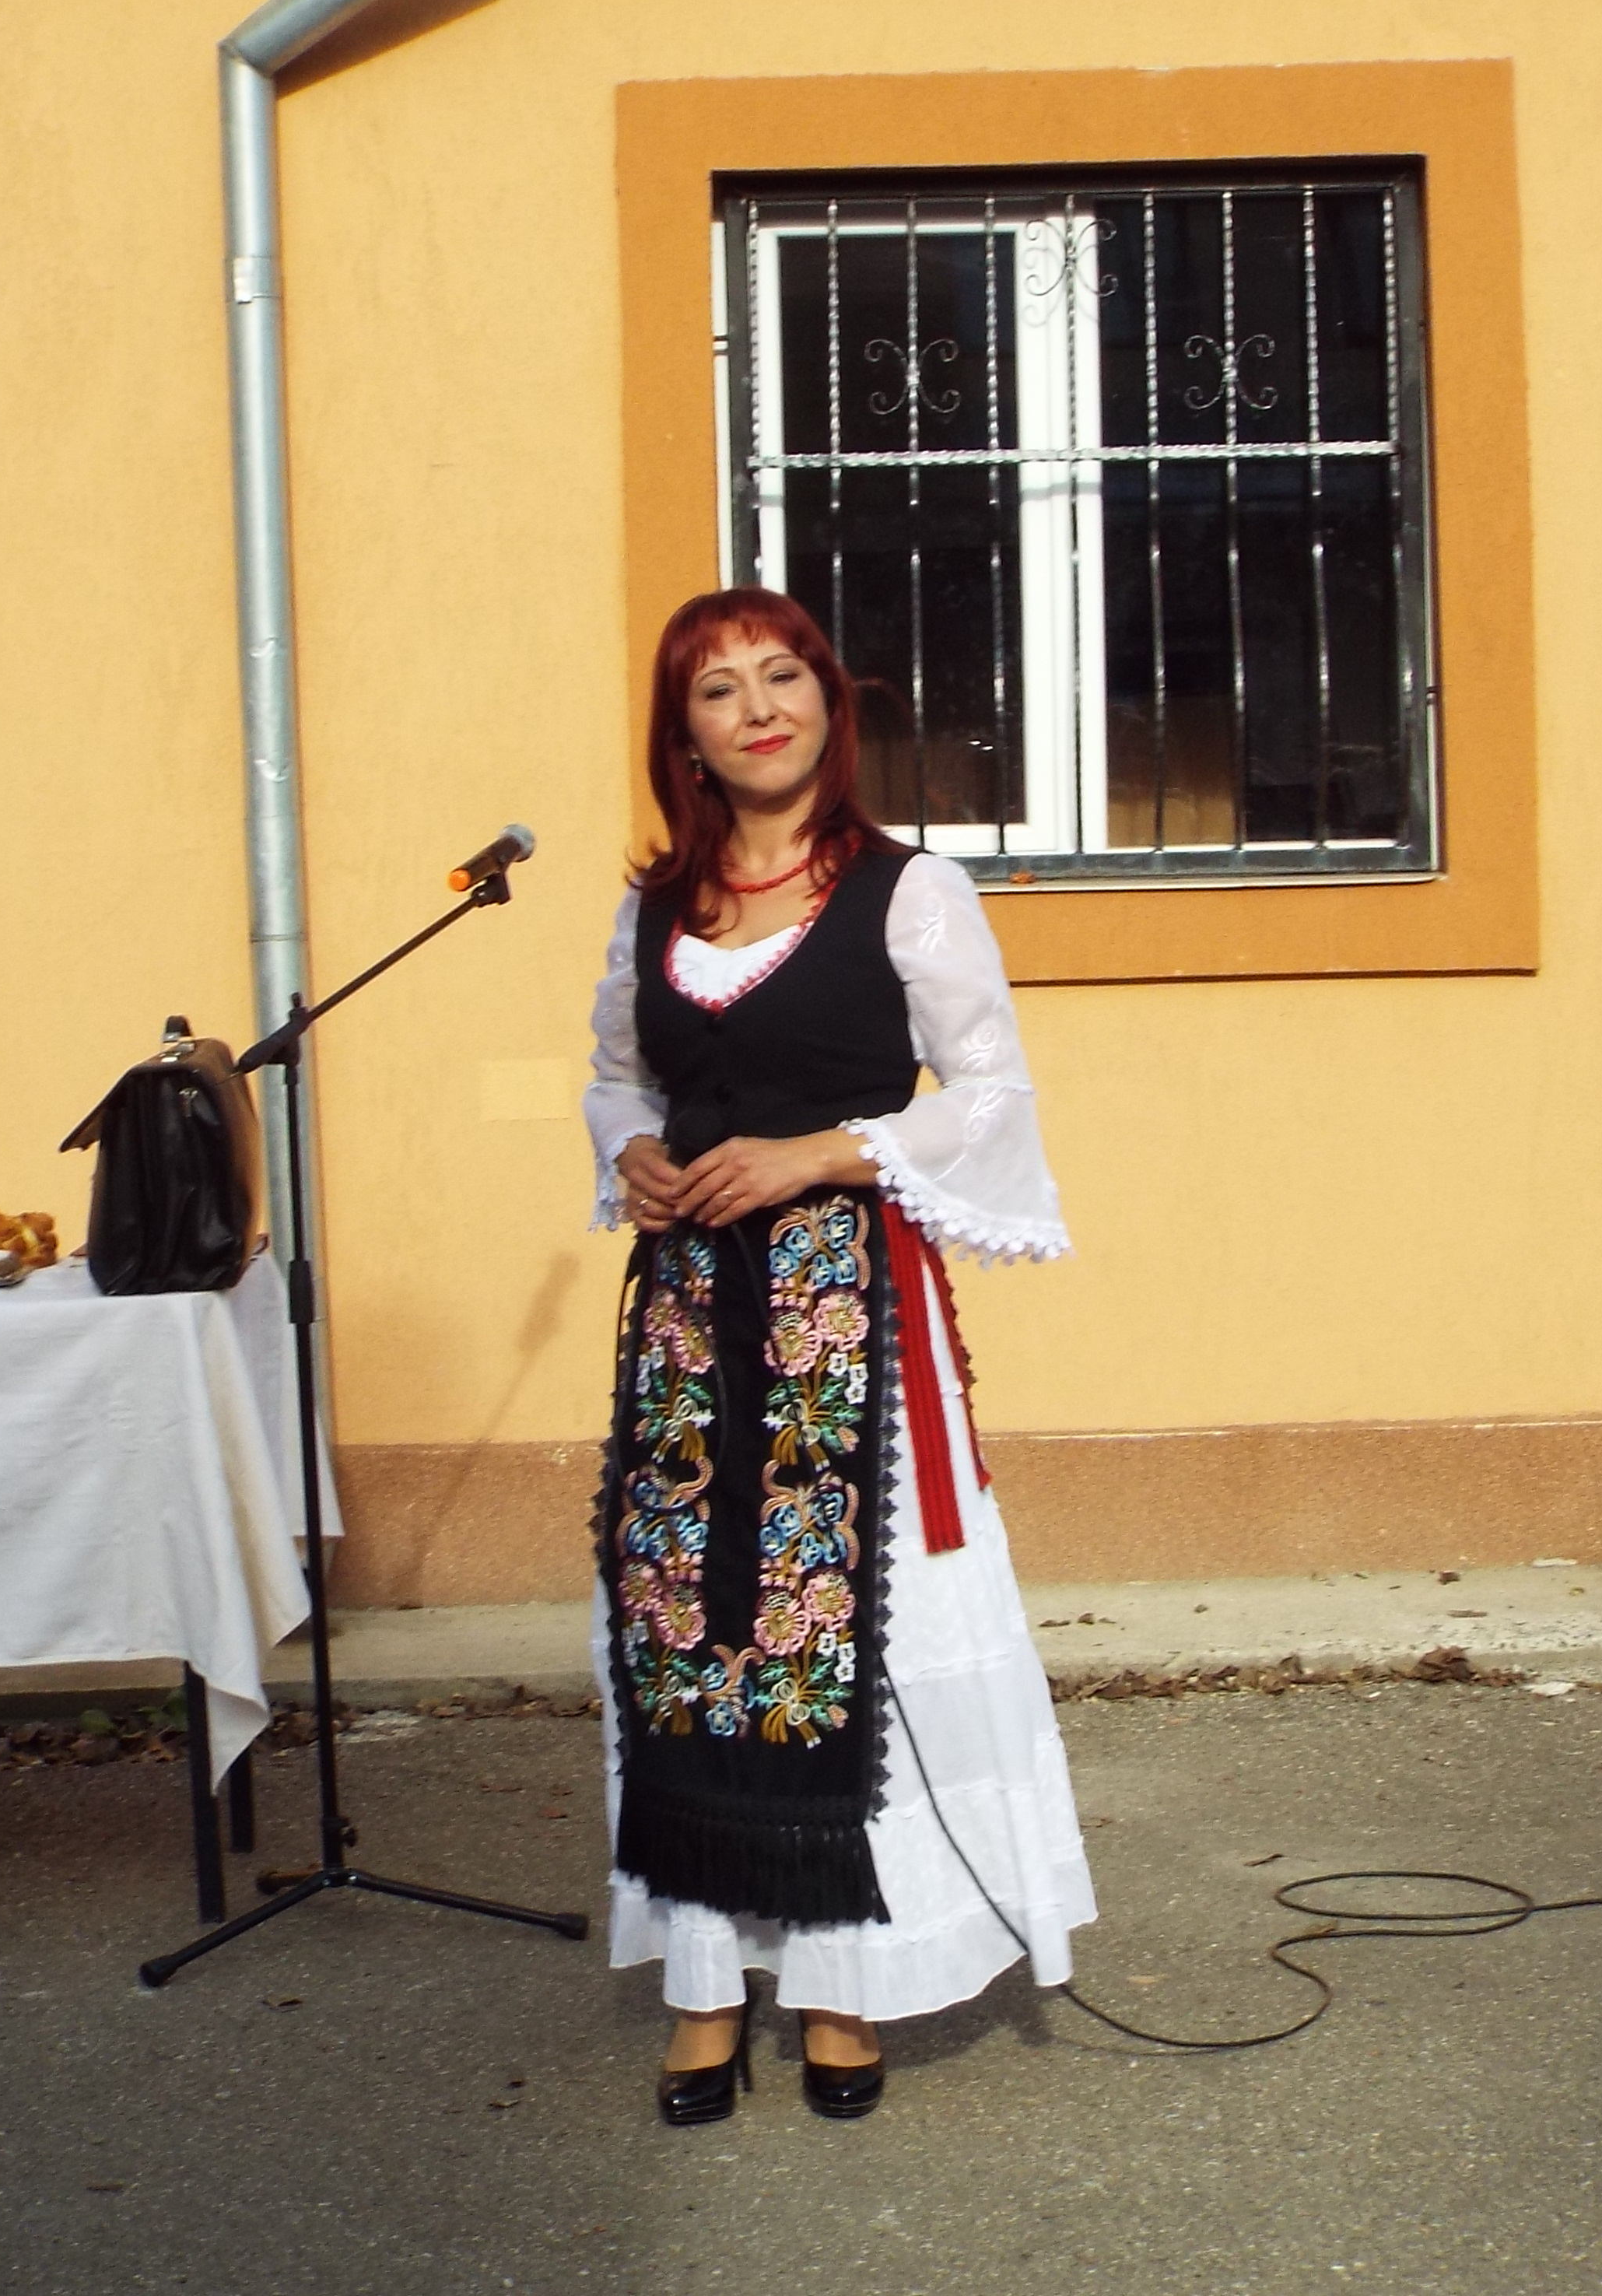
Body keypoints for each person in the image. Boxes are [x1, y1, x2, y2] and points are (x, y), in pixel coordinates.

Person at [582, 586, 1093, 2125]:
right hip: (693, 1328)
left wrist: (820, 1153)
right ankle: (702, 1988)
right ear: (685, 736)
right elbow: (618, 1075)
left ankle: (839, 1988)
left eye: (782, 676)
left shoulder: (907, 891)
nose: (759, 709)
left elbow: (989, 1092)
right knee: (687, 1638)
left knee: (844, 1636)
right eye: (720, 689)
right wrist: (638, 1153)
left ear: (827, 701)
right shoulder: (655, 909)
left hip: (844, 1318)